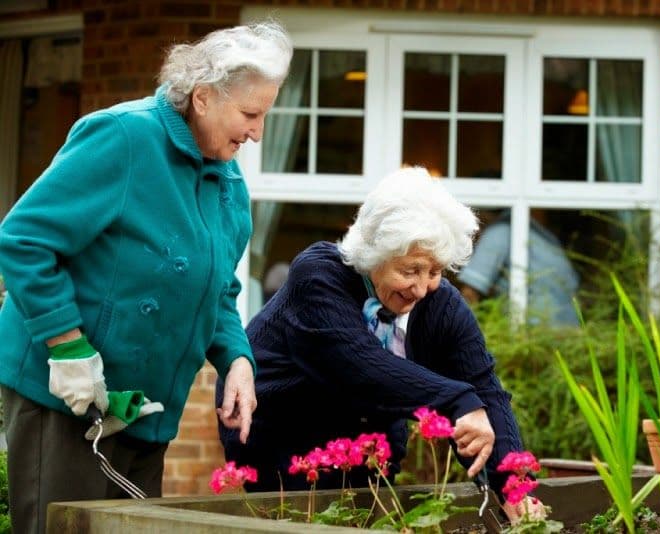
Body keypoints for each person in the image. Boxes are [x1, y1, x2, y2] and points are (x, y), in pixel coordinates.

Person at [0, 21, 292, 534]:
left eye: (265, 115)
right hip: (65, 396)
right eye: (250, 114)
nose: (257, 132)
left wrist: (237, 359)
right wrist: (67, 347)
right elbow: (24, 240)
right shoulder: (122, 136)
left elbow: (218, 288)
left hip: (145, 411)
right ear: (202, 97)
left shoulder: (227, 181)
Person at [218, 167, 536, 522]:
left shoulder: (440, 304)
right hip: (283, 446)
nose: (421, 288)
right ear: (374, 253)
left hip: (368, 453)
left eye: (434, 272)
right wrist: (458, 400)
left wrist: (513, 486)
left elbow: (485, 390)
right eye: (410, 270)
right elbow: (356, 366)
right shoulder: (318, 275)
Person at [459, 211, 580, 326]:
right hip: (569, 330)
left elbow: (469, 295)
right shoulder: (540, 235)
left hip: (535, 331)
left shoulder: (497, 232)